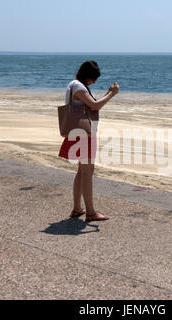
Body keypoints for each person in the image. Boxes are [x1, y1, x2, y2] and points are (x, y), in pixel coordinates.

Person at [58, 61, 119, 221]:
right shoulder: (78, 87)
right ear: (88, 76)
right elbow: (95, 106)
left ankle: (77, 208)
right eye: (93, 79)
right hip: (84, 134)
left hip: (78, 133)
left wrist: (107, 93)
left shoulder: (74, 85)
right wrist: (112, 93)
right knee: (87, 172)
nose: (94, 82)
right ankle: (91, 212)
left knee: (81, 171)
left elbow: (91, 105)